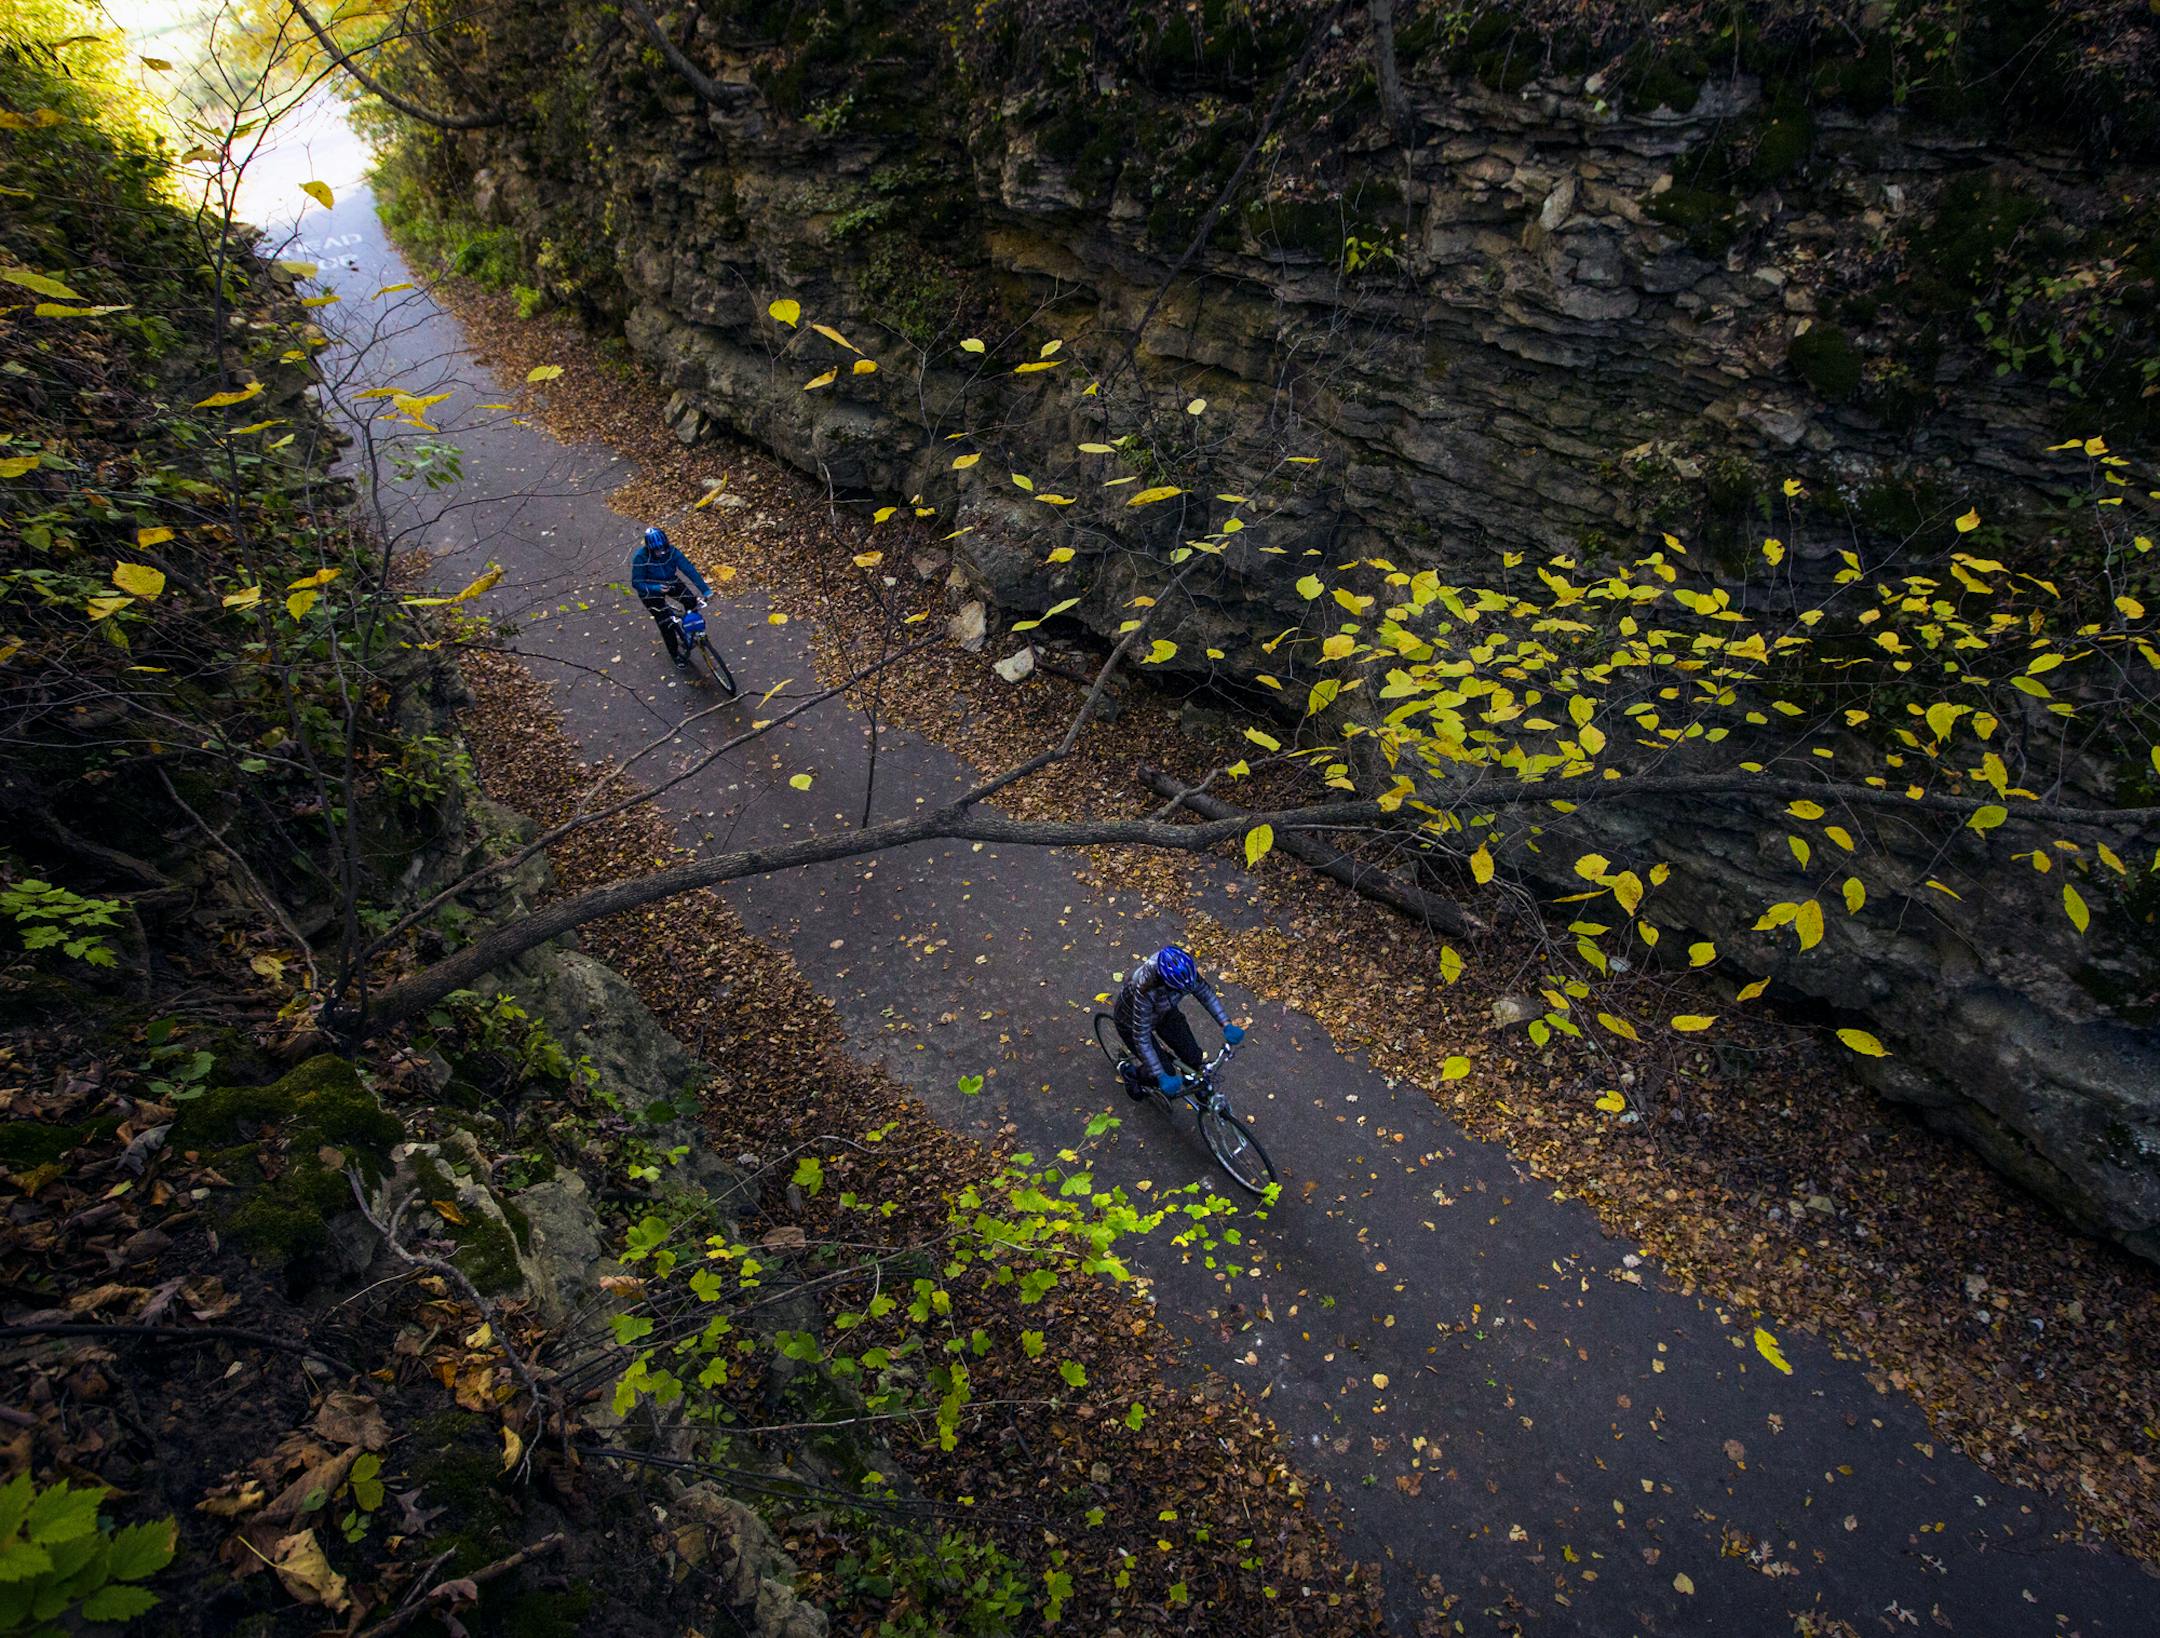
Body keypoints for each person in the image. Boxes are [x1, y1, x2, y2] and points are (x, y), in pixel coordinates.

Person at [1112, 944, 1246, 1101]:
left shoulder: (1182, 969)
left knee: (1193, 1056)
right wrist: (1161, 1075)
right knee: (1165, 1071)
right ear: (1163, 982)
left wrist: (1226, 1024)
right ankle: (1132, 1075)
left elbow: (1204, 993)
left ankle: (1193, 1083)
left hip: (1164, 1012)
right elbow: (1141, 1037)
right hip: (1131, 1022)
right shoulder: (1145, 988)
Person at [629, 525, 712, 665]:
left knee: (691, 602)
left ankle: (688, 634)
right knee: (666, 624)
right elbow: (637, 583)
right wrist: (656, 588)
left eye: (663, 549)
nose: (661, 553)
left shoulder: (672, 552)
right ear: (650, 548)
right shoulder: (640, 557)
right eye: (657, 550)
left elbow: (688, 569)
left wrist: (705, 590)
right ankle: (675, 654)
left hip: (670, 581)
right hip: (650, 590)